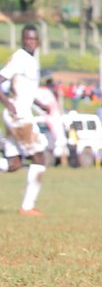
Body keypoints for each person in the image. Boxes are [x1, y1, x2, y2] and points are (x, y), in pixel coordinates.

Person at [0, 25, 52, 215]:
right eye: (28, 39)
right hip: (19, 115)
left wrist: (39, 104)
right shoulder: (20, 58)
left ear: (38, 41)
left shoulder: (32, 60)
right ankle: (27, 207)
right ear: (23, 40)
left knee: (14, 164)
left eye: (34, 39)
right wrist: (8, 104)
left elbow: (26, 91)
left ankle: (28, 206)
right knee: (39, 156)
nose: (31, 42)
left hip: (20, 112)